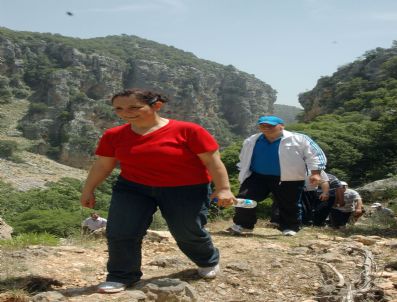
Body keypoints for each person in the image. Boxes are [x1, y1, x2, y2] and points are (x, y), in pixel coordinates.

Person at [80, 88, 235, 294]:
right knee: (121, 231)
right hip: (133, 188)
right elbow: (102, 165)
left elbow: (212, 161)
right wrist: (88, 189)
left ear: (156, 106)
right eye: (119, 108)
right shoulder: (114, 135)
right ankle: (121, 275)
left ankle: (207, 259)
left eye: (135, 107)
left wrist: (223, 188)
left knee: (186, 229)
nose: (126, 112)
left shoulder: (189, 130)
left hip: (186, 188)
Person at [227, 115, 327, 236]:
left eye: (270, 126)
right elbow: (243, 157)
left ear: (281, 126)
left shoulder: (299, 139)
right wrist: (243, 172)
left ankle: (290, 227)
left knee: (289, 203)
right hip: (257, 176)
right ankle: (243, 225)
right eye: (262, 125)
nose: (266, 128)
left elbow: (316, 155)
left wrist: (315, 174)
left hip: (289, 178)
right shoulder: (252, 140)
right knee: (244, 198)